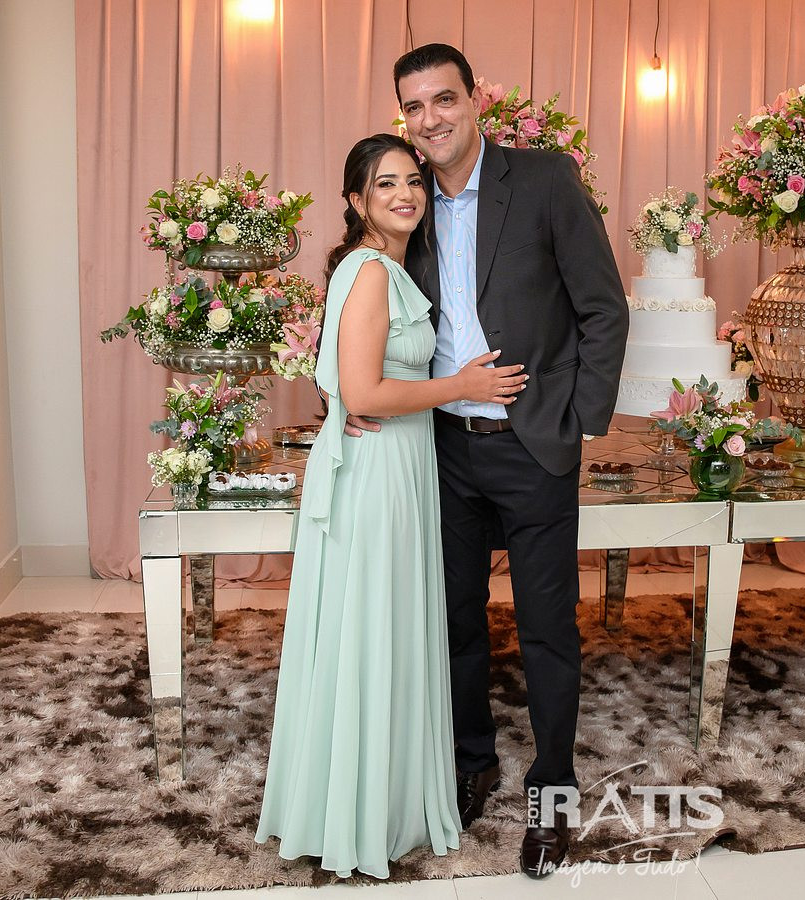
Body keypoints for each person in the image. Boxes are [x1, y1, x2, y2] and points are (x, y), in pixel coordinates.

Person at [346, 44, 628, 878]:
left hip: (533, 443)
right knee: (455, 621)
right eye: (414, 106)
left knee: (547, 628)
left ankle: (553, 792)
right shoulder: (405, 202)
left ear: (474, 100)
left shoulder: (541, 180)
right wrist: (351, 399)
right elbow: (365, 308)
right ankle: (471, 765)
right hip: (439, 447)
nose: (430, 118)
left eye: (444, 99)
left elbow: (602, 308)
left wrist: (579, 421)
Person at [254, 133, 529, 879]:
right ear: (356, 200)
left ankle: (378, 797)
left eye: (413, 181)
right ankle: (360, 811)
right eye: (385, 184)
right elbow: (365, 392)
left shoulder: (391, 269)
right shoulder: (371, 271)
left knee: (385, 629)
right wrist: (462, 387)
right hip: (377, 472)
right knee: (371, 630)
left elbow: (355, 387)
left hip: (402, 461)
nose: (405, 194)